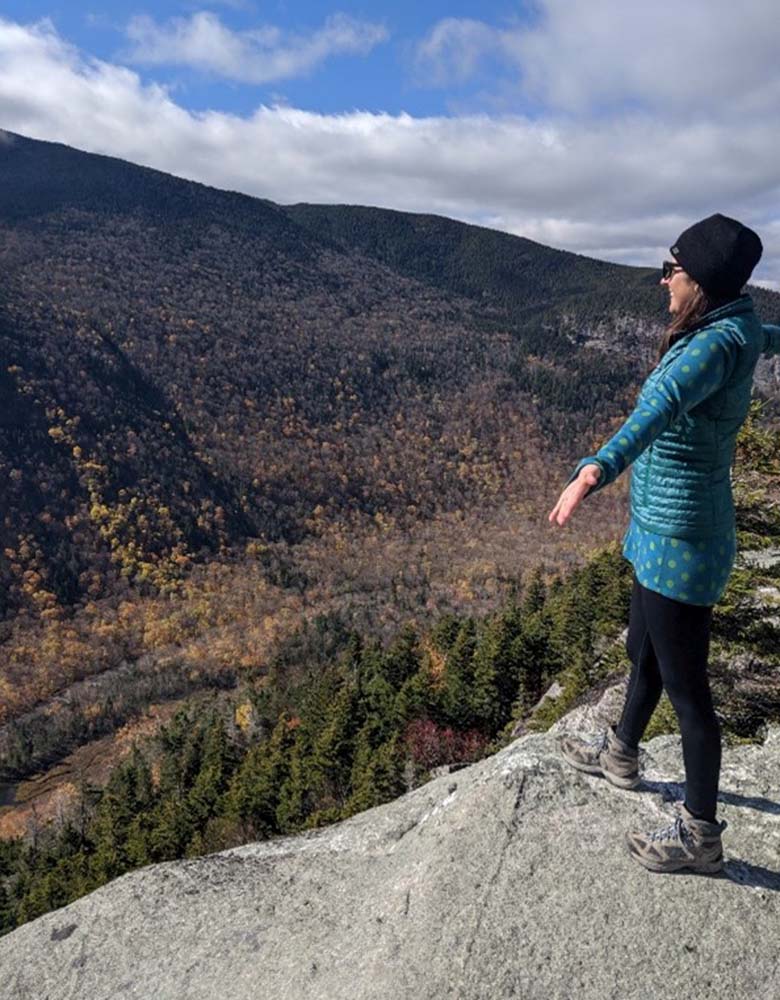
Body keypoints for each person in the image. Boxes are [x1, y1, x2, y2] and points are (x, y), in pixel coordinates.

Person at [547, 212, 780, 875]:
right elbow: (768, 334)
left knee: (689, 693)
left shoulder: (709, 347)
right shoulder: (731, 326)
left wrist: (595, 469)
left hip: (683, 535)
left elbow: (656, 411)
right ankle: (621, 752)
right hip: (660, 526)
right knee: (641, 649)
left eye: (671, 270)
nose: (662, 281)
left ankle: (701, 834)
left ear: (700, 280)